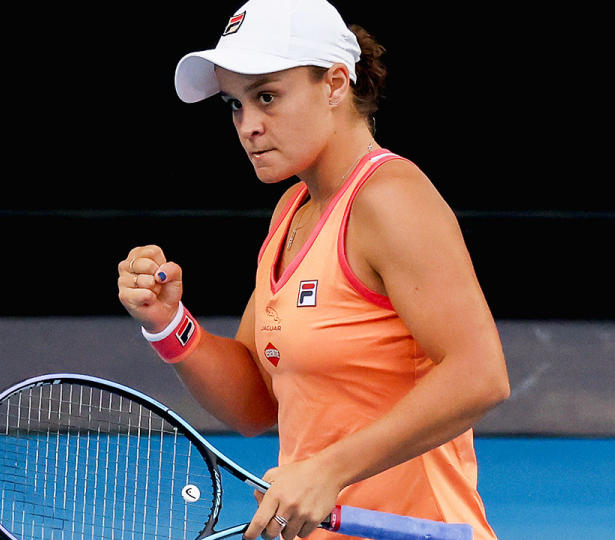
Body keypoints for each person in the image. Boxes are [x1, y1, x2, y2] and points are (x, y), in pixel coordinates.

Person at [118, 1, 511, 539]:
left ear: (334, 84)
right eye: (235, 104)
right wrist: (168, 324)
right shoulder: (292, 212)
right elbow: (256, 404)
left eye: (267, 96)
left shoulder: (391, 199)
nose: (248, 126)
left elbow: (480, 375)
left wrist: (328, 469)